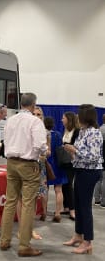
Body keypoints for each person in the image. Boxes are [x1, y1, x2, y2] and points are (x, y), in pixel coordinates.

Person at [0, 93, 47, 257]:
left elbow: (4, 140)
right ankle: (24, 245)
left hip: (11, 162)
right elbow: (40, 145)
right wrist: (45, 151)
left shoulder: (10, 120)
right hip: (28, 164)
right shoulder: (35, 121)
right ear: (33, 105)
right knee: (28, 204)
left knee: (10, 201)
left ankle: (4, 240)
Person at [62, 104, 103, 254]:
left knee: (85, 207)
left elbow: (92, 157)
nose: (77, 117)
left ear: (86, 116)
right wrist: (72, 152)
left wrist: (74, 150)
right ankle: (78, 235)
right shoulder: (83, 132)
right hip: (80, 170)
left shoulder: (94, 133)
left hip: (90, 172)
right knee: (78, 205)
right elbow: (80, 155)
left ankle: (88, 242)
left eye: (80, 115)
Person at [44, 116, 68, 222]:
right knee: (58, 190)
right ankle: (58, 213)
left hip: (47, 164)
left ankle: (44, 212)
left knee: (45, 190)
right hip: (58, 164)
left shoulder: (42, 135)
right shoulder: (58, 134)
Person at [61, 111, 80, 221]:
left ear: (69, 119)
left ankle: (73, 210)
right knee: (64, 184)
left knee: (69, 185)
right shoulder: (66, 130)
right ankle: (66, 207)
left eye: (63, 118)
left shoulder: (76, 131)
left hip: (71, 162)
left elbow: (76, 147)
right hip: (64, 161)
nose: (62, 120)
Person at [93, 114, 105, 207]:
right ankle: (103, 202)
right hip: (102, 156)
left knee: (99, 179)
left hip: (99, 157)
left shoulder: (99, 129)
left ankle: (97, 199)